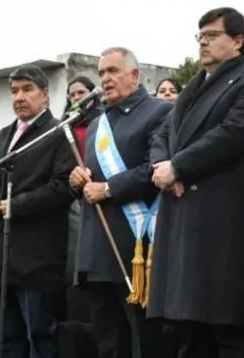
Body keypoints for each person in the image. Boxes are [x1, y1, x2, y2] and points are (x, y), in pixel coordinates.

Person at [148, 7, 244, 357]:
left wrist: (180, 167)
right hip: (181, 216)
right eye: (200, 36)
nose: (203, 42)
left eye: (212, 35)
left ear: (238, 42)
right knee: (188, 329)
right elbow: (162, 133)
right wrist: (163, 166)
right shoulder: (193, 87)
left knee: (224, 324)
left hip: (221, 217)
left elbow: (232, 134)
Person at [69, 47, 172, 358]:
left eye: (113, 71)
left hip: (135, 245)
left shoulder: (159, 112)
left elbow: (154, 167)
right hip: (96, 245)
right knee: (108, 342)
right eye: (101, 73)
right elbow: (89, 182)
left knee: (144, 339)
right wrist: (77, 180)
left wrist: (109, 188)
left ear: (135, 75)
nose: (105, 79)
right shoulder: (98, 121)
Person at [0, 66, 75, 358]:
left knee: (38, 335)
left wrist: (16, 206)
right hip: (0, 256)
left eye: (27, 89)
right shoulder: (2, 136)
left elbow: (63, 187)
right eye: (14, 91)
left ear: (45, 95)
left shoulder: (59, 131)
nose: (19, 97)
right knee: (4, 337)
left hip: (37, 257)